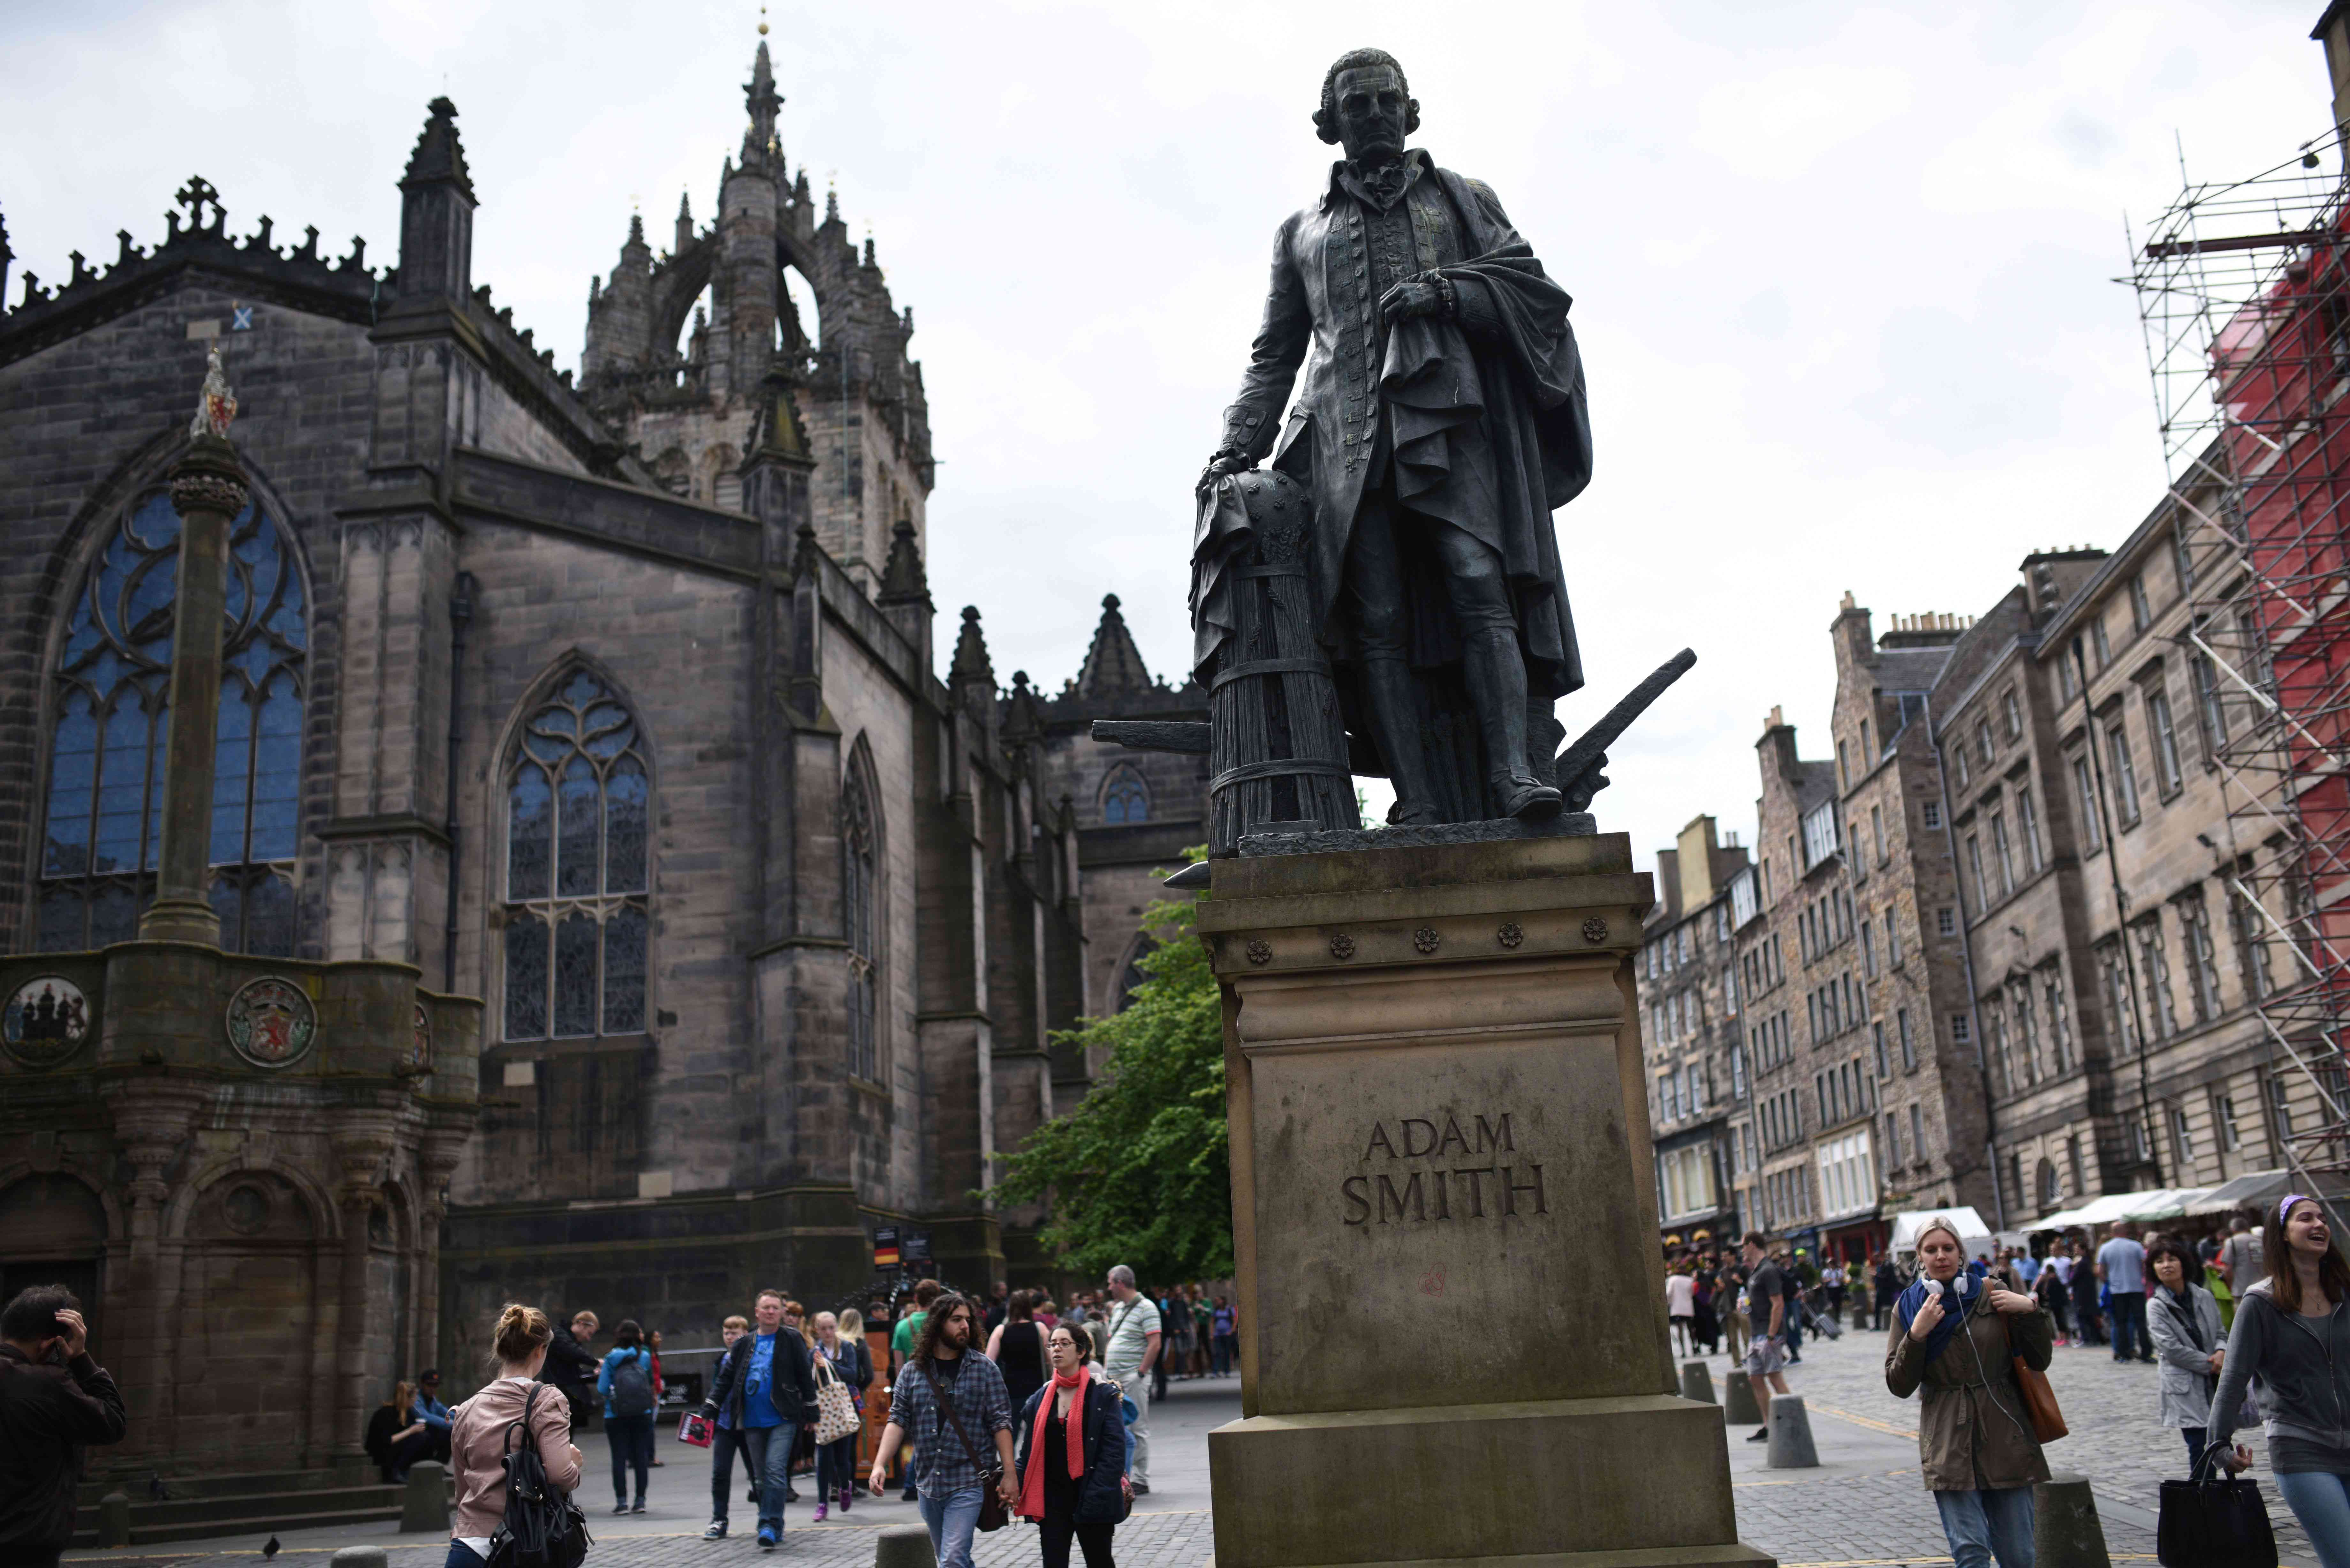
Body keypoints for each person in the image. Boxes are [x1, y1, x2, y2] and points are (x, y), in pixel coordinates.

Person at [1886, 1216, 2052, 1568]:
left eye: (1948, 1248)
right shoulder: (1909, 1306)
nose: (1941, 1256)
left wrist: (2032, 1312)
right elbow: (1899, 1384)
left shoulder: (1992, 1293)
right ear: (1919, 1256)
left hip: (2004, 1432)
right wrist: (1916, 1335)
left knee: (2019, 1554)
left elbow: (2039, 1360)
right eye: (1930, 1250)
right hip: (1947, 1438)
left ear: (1961, 1253)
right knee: (1970, 1551)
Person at [2213, 1196, 2350, 1568]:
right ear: (2283, 1234)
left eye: (2322, 1218)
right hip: (2301, 1447)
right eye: (2306, 1218)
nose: (2319, 1224)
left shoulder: (2345, 1291)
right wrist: (2218, 1445)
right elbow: (2233, 1378)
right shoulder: (2261, 1302)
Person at [868, 1293, 1017, 1568]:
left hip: (969, 1481)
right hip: (928, 1484)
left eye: (968, 1321)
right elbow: (897, 1419)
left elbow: (1002, 1423)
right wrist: (879, 1464)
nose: (965, 1326)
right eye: (956, 1320)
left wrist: (1010, 1474)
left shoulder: (984, 1369)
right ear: (938, 1325)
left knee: (952, 1560)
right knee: (952, 1558)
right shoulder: (913, 1372)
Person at [447, 1304, 584, 1568]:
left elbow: (462, 1487)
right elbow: (559, 1475)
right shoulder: (547, 1401)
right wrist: (574, 1465)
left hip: (468, 1544)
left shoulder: (467, 1409)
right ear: (539, 1350)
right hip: (524, 1543)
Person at [0, 1286, 125, 1568]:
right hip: (25, 1547)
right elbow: (113, 1423)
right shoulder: (48, 1384)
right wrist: (81, 1360)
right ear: (51, 1344)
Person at [703, 1290, 815, 1550]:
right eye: (766, 1307)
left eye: (776, 1308)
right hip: (752, 1421)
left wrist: (812, 1411)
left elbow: (804, 1377)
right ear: (757, 1312)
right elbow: (725, 1379)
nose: (770, 1312)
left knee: (775, 1471)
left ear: (782, 1313)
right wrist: (710, 1407)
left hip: (783, 1418)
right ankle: (768, 1521)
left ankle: (770, 1524)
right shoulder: (745, 1343)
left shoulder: (792, 1339)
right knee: (761, 1477)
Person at [1015, 1323, 1129, 1568]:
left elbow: (1114, 1452)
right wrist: (1014, 1481)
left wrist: (1097, 1493)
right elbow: (1028, 1451)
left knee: (1099, 1561)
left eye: (1064, 1343)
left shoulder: (1102, 1395)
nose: (1057, 1348)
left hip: (1092, 1494)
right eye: (1053, 1344)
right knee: (1054, 1563)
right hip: (1053, 1499)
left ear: (1081, 1352)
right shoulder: (1041, 1397)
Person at [2145, 1232, 2227, 1475]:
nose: (2166, 1265)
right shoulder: (2156, 1305)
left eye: (2172, 1259)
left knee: (2220, 1444)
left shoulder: (2204, 1296)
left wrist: (2222, 1351)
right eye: (2159, 1261)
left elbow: (2221, 1331)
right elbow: (2170, 1349)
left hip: (2215, 1381)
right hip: (2186, 1384)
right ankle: (2201, 1501)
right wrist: (2210, 1363)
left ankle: (2217, 1497)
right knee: (2198, 1447)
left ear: (2184, 1262)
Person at [1100, 1266, 1162, 1494]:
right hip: (1115, 1379)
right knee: (1116, 1427)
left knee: (1138, 1426)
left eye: (1110, 1283)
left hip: (1132, 1377)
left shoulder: (1147, 1308)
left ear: (1120, 1283)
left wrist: (1141, 1373)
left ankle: (1141, 1478)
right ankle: (1122, 1474)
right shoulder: (1118, 1309)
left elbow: (1155, 1343)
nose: (1108, 1288)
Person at [810, 1311, 871, 1521]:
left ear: (836, 1327)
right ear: (817, 1329)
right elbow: (809, 1383)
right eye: (823, 1329)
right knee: (823, 1458)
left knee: (842, 1457)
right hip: (824, 1411)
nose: (828, 1333)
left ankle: (846, 1486)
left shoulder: (846, 1348)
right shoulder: (813, 1352)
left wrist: (829, 1365)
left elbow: (853, 1374)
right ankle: (822, 1504)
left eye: (831, 1328)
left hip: (844, 1407)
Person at [595, 1319, 658, 1516]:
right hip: (642, 1413)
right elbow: (649, 1383)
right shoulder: (645, 1356)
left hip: (615, 1415)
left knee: (619, 1458)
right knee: (641, 1457)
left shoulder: (611, 1358)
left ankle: (622, 1503)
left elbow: (603, 1388)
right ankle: (640, 1501)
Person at [892, 1280, 943, 1503]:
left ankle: (911, 1483)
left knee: (918, 1437)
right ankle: (915, 1483)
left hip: (912, 1387)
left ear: (916, 1299)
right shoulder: (941, 1324)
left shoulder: (903, 1327)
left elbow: (898, 1364)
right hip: (940, 1385)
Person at [703, 1314, 753, 1539]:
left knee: (757, 1474)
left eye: (735, 1333)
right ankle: (719, 1519)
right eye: (727, 1333)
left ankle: (767, 1518)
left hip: (750, 1423)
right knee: (720, 1474)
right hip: (725, 1423)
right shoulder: (722, 1359)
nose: (730, 1337)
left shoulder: (752, 1358)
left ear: (745, 1334)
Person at [1740, 1234, 1789, 1444]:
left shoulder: (1768, 1270)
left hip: (1768, 1334)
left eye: (1743, 1246)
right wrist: (1745, 1306)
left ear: (1752, 1245)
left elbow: (1778, 1304)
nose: (1741, 1250)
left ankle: (1792, 1422)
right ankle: (1769, 1426)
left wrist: (1772, 1334)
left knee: (1775, 1377)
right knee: (1755, 1378)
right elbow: (1755, 1302)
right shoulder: (1755, 1271)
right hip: (1755, 1332)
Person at [989, 1289, 1051, 1416]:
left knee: (1013, 1432)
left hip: (1011, 1391)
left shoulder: (1001, 1331)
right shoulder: (1040, 1328)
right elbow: (1051, 1360)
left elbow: (989, 1362)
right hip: (1037, 1389)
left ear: (1010, 1307)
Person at [2097, 1222, 2153, 1364]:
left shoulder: (2106, 1248)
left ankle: (2123, 1353)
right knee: (2141, 1323)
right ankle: (2146, 1354)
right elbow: (2144, 1266)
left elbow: (2101, 1271)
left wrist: (2109, 1282)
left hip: (2117, 1290)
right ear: (2126, 1231)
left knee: (2120, 1323)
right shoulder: (2135, 1246)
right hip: (2136, 1288)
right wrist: (2143, 1281)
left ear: (2112, 1232)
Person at [542, 1309, 603, 1428]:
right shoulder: (558, 1334)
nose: (589, 1339)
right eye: (589, 1334)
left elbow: (575, 1373)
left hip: (564, 1395)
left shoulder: (569, 1340)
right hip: (559, 1395)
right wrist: (596, 1362)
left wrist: (593, 1374)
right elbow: (572, 1352)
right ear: (581, 1324)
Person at [366, 1382, 431, 1481]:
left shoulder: (406, 1413)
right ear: (408, 1399)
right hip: (380, 1452)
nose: (416, 1400)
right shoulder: (387, 1413)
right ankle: (394, 1472)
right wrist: (411, 1431)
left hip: (393, 1449)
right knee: (418, 1438)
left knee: (425, 1437)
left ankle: (406, 1470)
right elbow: (387, 1441)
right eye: (414, 1398)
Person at [414, 1369, 454, 1464]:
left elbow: (445, 1411)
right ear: (422, 1385)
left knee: (451, 1434)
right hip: (415, 1434)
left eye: (435, 1386)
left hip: (428, 1433)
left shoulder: (432, 1400)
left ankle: (440, 1465)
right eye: (430, 1385)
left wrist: (465, 1416)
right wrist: (453, 1423)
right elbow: (426, 1417)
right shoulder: (415, 1399)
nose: (433, 1389)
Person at [1665, 1264, 1696, 1358]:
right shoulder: (1690, 1280)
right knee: (1691, 1328)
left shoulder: (1673, 1279)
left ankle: (1683, 1350)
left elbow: (1669, 1293)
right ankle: (1694, 1347)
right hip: (1688, 1307)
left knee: (1680, 1330)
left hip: (1677, 1307)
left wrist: (1669, 1304)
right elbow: (1692, 1293)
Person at [1210, 1296, 1238, 1377]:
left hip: (1227, 1334)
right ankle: (1216, 1371)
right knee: (1217, 1353)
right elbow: (1212, 1322)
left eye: (1219, 1300)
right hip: (1218, 1335)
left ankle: (1227, 1371)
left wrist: (1231, 1331)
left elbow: (1234, 1322)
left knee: (1227, 1353)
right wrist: (1212, 1334)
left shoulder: (1229, 1310)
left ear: (1223, 1301)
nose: (1217, 1302)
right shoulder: (1215, 1311)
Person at [1874, 1254, 1901, 1333]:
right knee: (1878, 1308)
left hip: (1887, 1291)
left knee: (1889, 1307)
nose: (1876, 1260)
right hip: (1880, 1290)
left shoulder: (1887, 1265)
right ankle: (1878, 1325)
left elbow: (1887, 1277)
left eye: (1877, 1258)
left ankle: (1890, 1325)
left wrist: (1876, 1275)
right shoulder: (1880, 1266)